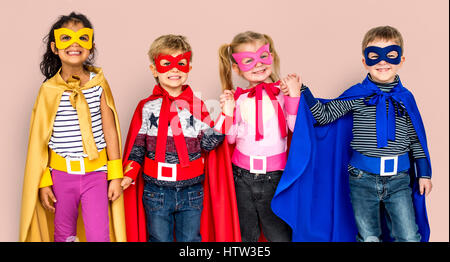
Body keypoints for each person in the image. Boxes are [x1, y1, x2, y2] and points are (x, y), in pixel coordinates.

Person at [272, 25, 432, 242]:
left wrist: (424, 173)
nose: (382, 62)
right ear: (365, 61)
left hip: (398, 180)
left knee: (408, 236)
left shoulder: (405, 98)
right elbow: (324, 116)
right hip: (362, 178)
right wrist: (302, 91)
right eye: (374, 56)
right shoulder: (357, 95)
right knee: (368, 236)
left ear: (401, 60)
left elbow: (416, 139)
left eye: (390, 56)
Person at [20, 12, 126, 242]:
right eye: (67, 38)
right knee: (63, 234)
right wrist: (44, 181)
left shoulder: (99, 85)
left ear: (91, 46)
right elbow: (41, 141)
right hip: (60, 175)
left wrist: (116, 175)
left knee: (99, 235)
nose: (75, 44)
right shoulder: (48, 91)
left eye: (82, 38)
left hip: (95, 175)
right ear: (55, 47)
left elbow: (110, 131)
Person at [121, 34, 239, 242]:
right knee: (158, 239)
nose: (174, 69)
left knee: (191, 241)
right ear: (154, 69)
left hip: (191, 190)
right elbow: (137, 145)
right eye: (167, 64)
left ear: (188, 68)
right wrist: (129, 174)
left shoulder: (196, 106)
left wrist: (226, 116)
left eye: (181, 64)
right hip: (155, 191)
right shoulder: (146, 106)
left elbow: (208, 143)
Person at [218, 31, 301, 242]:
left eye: (263, 57)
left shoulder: (281, 94)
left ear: (271, 56)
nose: (258, 65)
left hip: (274, 175)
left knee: (278, 235)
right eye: (248, 61)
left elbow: (295, 127)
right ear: (236, 68)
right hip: (242, 176)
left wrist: (294, 95)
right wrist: (228, 112)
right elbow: (230, 139)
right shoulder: (239, 98)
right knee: (247, 234)